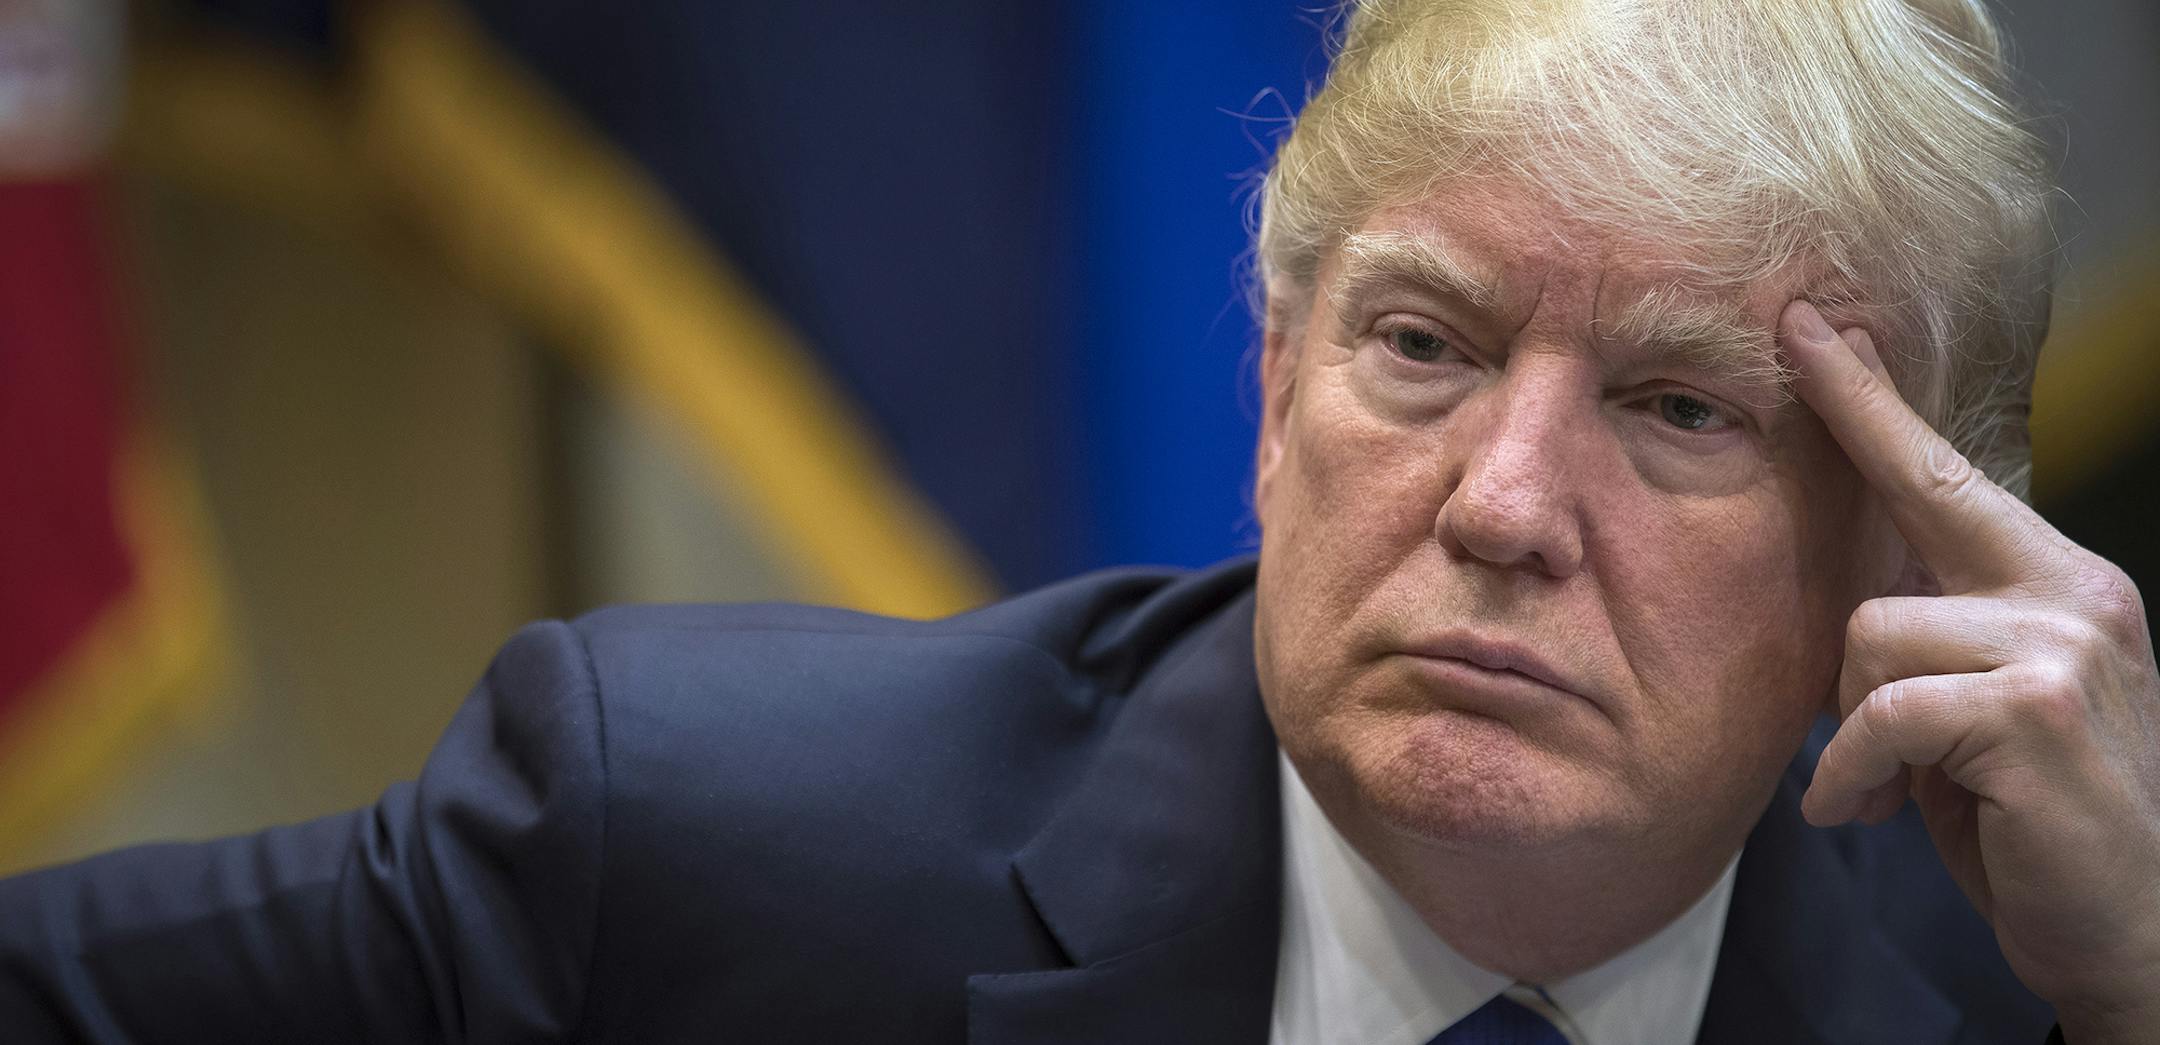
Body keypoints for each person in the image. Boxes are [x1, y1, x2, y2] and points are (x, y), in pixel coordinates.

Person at [4, 0, 2155, 1042]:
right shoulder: (691, 834)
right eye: (1421, 347)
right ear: (1272, 391)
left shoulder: (2047, 980)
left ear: (1905, 551)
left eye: (1679, 409)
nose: (1502, 505)